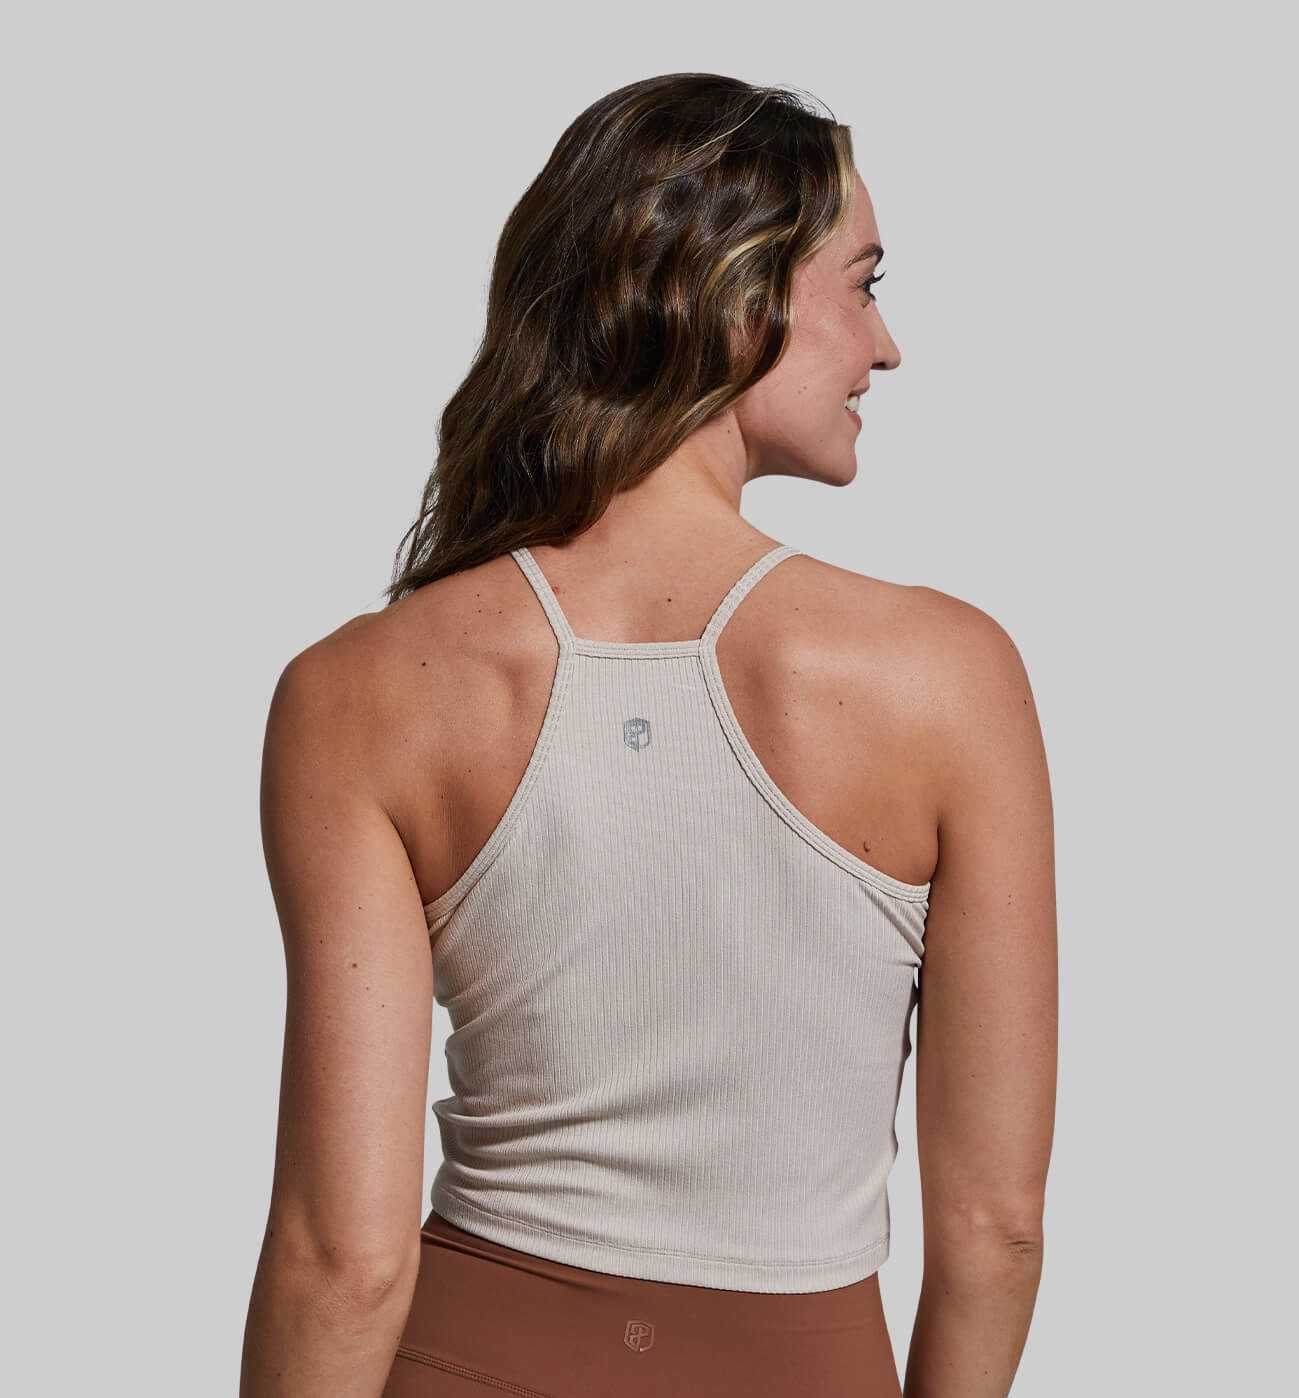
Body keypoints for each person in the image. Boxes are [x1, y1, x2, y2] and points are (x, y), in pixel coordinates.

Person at [240, 73, 1057, 1398]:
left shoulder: (357, 693)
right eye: (862, 287)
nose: (886, 346)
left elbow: (342, 1256)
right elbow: (992, 1226)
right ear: (736, 301)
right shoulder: (945, 678)